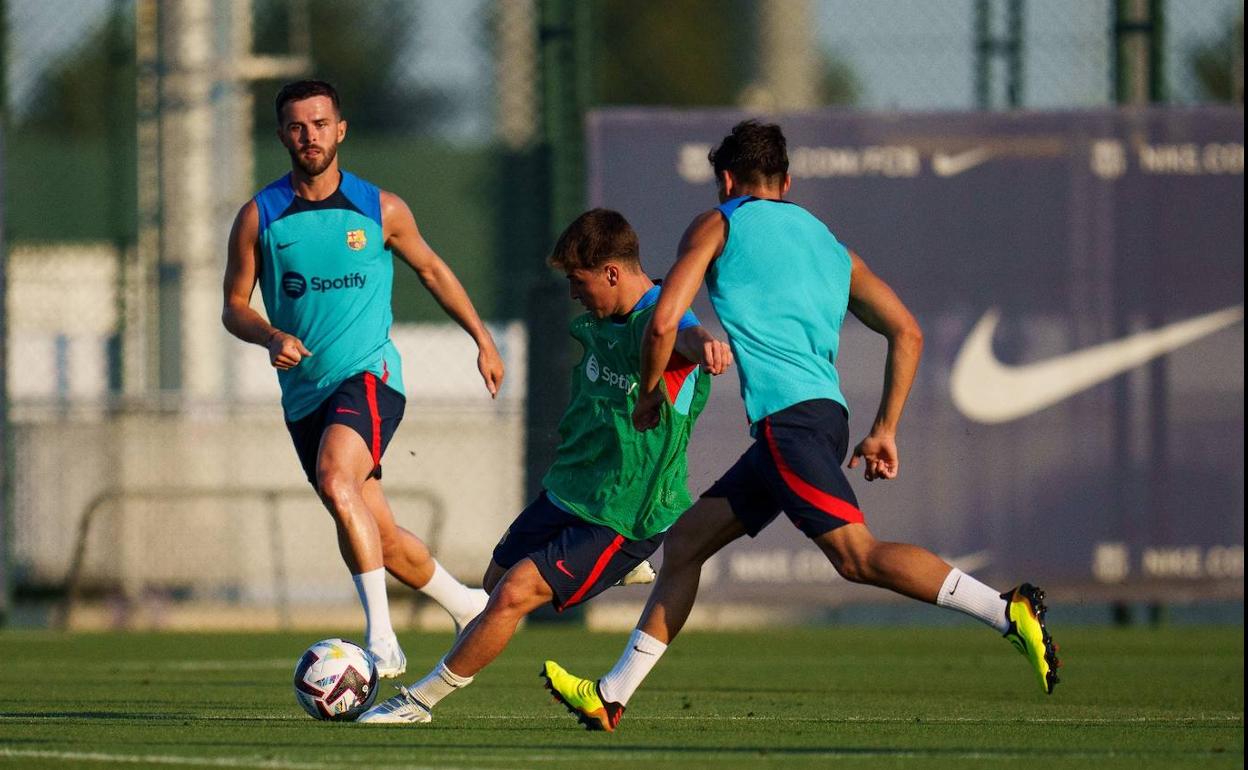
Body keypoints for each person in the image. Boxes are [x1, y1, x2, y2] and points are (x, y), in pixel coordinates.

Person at [542, 120, 1061, 733]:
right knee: (685, 545)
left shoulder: (720, 223)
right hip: (821, 419)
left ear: (727, 180)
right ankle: (611, 695)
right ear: (786, 182)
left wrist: (650, 394)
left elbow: (661, 324)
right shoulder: (830, 245)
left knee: (856, 557)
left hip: (790, 424)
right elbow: (907, 332)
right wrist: (885, 427)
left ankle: (1006, 611)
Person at [356, 208, 732, 723]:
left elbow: (682, 334)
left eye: (580, 283)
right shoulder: (607, 317)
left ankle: (418, 702)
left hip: (625, 512)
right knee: (494, 583)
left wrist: (707, 344)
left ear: (612, 273)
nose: (574, 295)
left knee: (513, 595)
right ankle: (615, 573)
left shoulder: (660, 320)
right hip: (571, 489)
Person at [222, 80, 502, 678]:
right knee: (379, 532)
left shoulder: (381, 209)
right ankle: (471, 604)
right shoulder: (259, 216)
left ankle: (381, 641)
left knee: (334, 477)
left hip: (370, 377)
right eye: (297, 127)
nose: (310, 136)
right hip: (304, 398)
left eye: (321, 123)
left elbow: (431, 269)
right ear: (282, 137)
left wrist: (482, 338)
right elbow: (233, 306)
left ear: (340, 130)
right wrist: (270, 335)